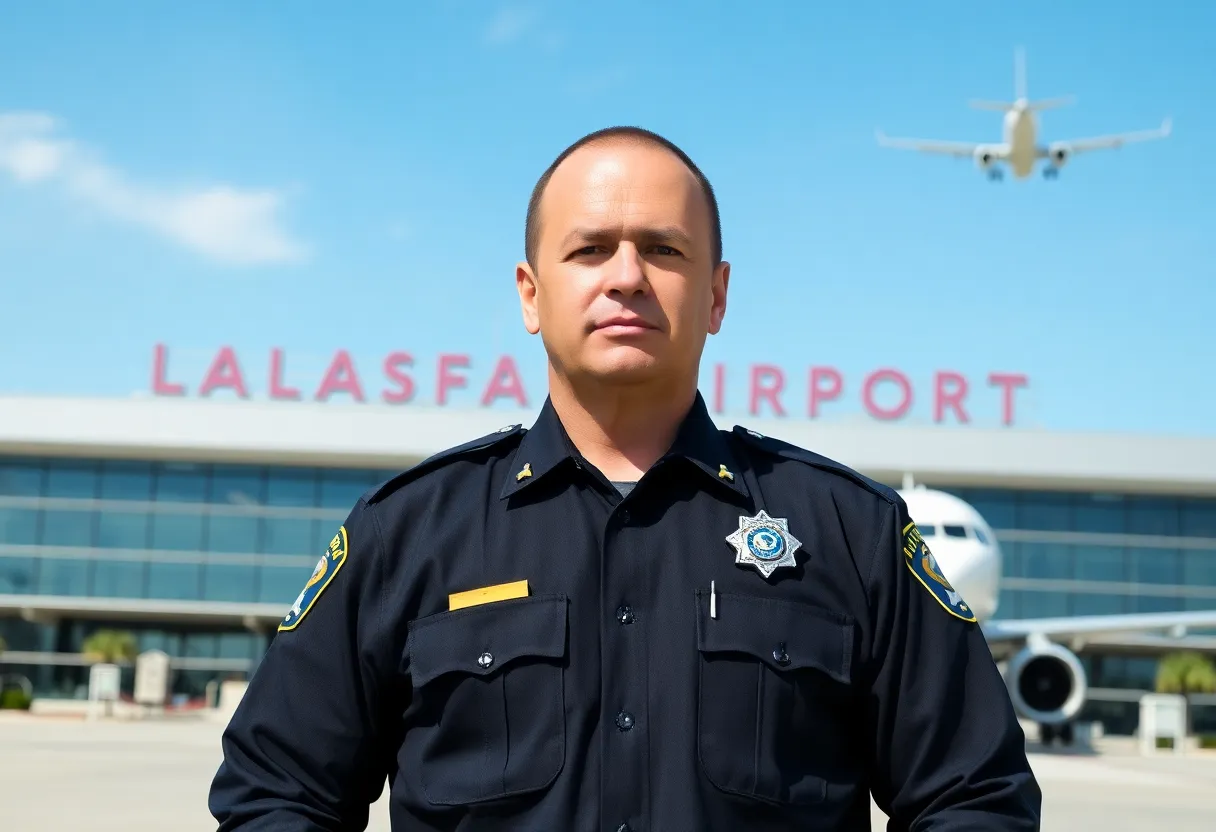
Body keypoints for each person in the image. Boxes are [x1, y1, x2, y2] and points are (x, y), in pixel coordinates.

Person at [208, 126, 1042, 831]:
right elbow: (275, 793)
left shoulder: (852, 534)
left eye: (663, 249)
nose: (627, 275)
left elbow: (975, 798)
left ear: (716, 296)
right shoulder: (408, 535)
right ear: (531, 294)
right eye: (591, 249)